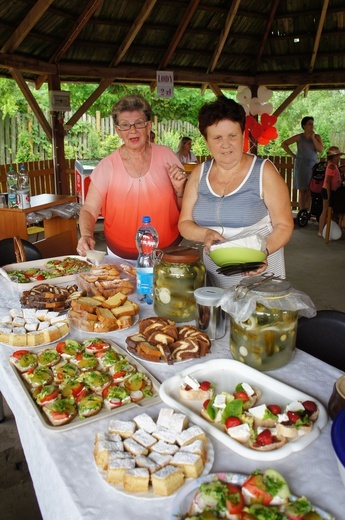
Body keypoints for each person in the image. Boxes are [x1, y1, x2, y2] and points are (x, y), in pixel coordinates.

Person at [178, 96, 294, 289]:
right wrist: (205, 234)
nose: (226, 144)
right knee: (220, 316)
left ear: (243, 135)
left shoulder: (264, 171)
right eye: (217, 138)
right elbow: (184, 223)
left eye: (232, 135)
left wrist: (261, 252)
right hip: (216, 276)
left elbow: (284, 225)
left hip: (259, 275)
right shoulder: (199, 174)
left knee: (258, 318)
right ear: (207, 141)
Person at [77, 94, 187, 260]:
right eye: (125, 125)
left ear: (149, 126)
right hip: (121, 256)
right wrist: (86, 235)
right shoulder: (107, 166)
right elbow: (89, 209)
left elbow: (184, 207)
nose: (133, 130)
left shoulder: (167, 156)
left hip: (168, 252)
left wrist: (180, 190)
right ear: (118, 131)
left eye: (139, 123)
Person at [281, 116, 324, 211]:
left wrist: (313, 138)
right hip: (301, 165)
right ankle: (302, 211)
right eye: (309, 124)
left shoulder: (317, 137)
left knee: (311, 189)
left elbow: (320, 149)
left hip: (313, 166)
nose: (312, 126)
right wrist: (293, 155)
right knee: (302, 190)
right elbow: (284, 144)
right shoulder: (299, 137)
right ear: (304, 126)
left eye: (312, 124)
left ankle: (309, 211)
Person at [318, 146, 344, 236]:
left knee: (330, 211)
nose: (339, 158)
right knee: (325, 210)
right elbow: (328, 181)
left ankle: (326, 229)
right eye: (338, 156)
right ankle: (320, 231)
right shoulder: (331, 166)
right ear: (334, 157)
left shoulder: (335, 166)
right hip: (327, 190)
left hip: (332, 190)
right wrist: (329, 195)